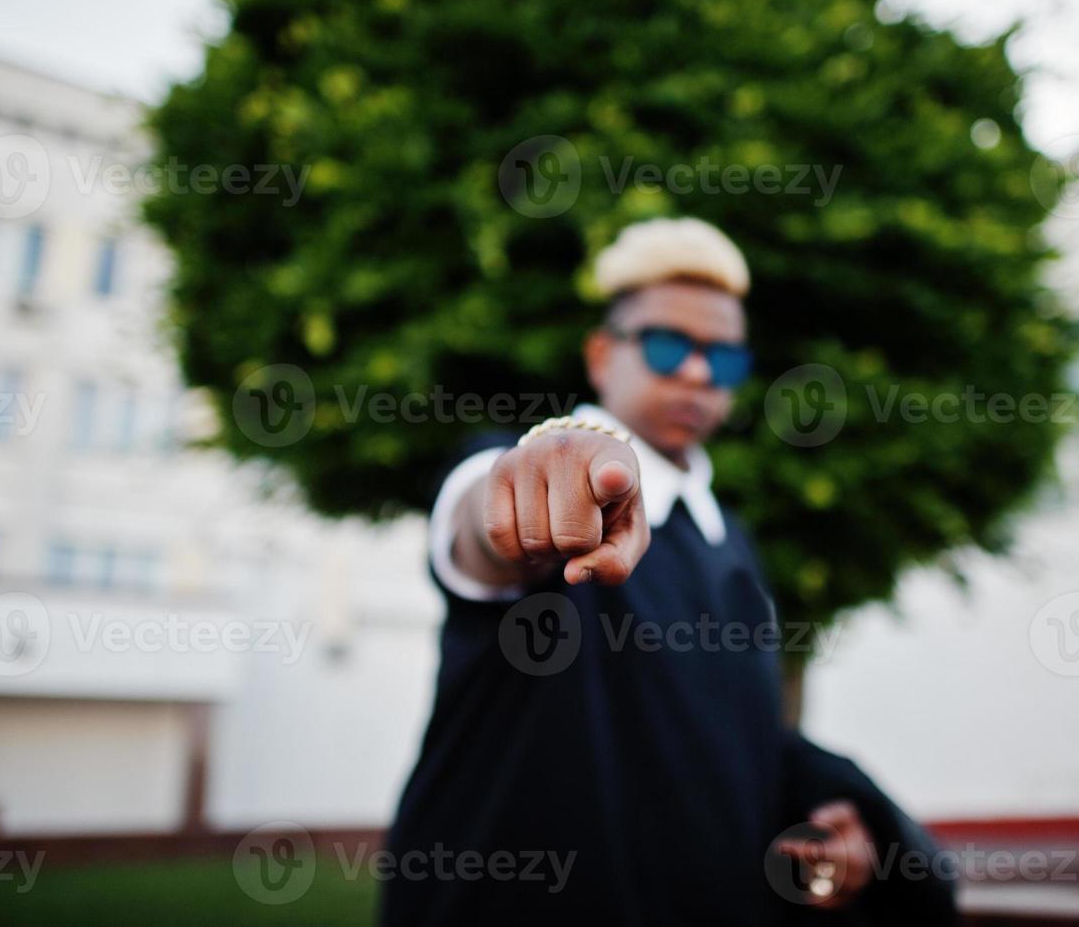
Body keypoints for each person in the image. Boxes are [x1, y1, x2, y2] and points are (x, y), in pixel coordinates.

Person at [383, 217, 957, 926]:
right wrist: (535, 478)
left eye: (722, 359)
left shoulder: (733, 549)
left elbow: (737, 740)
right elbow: (485, 525)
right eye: (664, 345)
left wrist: (826, 818)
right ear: (601, 356)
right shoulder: (534, 471)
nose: (693, 372)